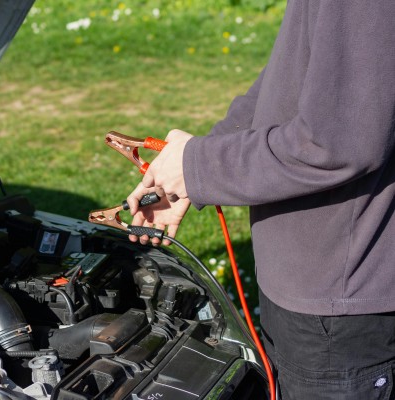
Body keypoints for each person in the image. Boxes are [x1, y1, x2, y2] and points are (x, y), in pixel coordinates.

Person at [125, 2, 395, 399]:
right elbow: (287, 82)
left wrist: (202, 166)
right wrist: (196, 165)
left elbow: (336, 143)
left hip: (340, 309)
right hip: (308, 293)